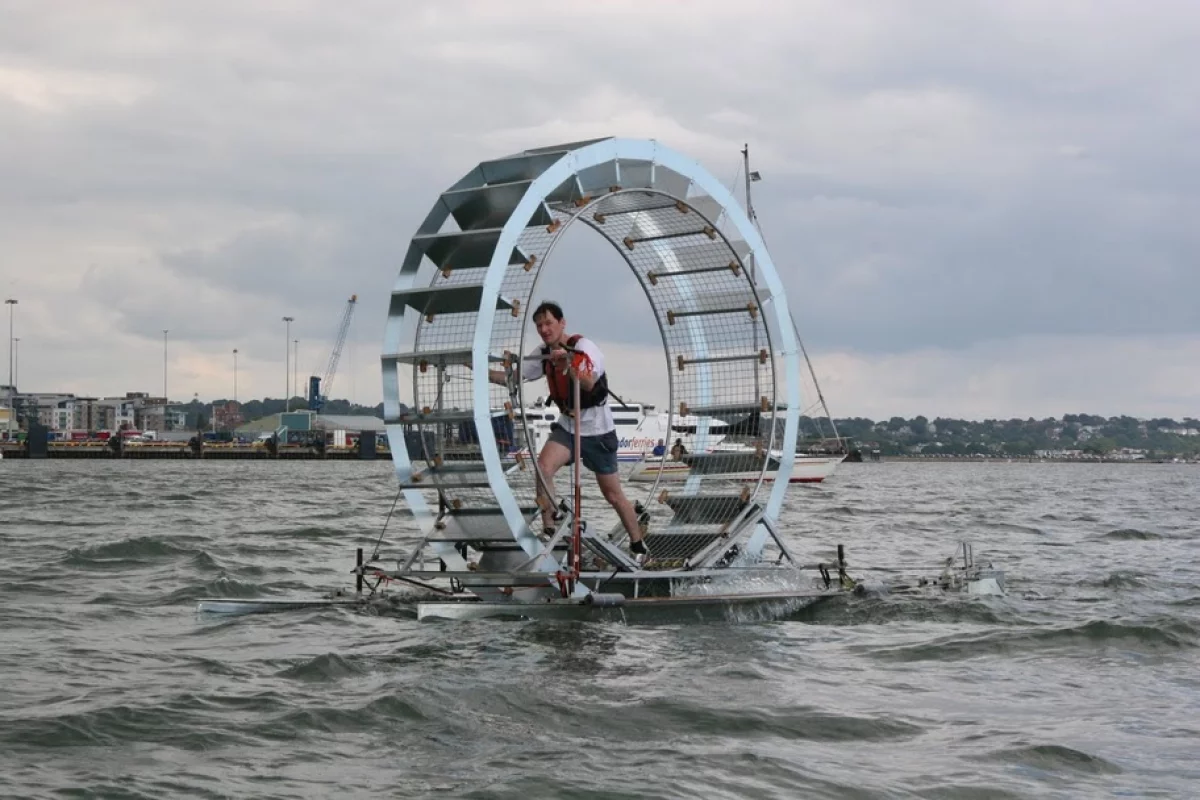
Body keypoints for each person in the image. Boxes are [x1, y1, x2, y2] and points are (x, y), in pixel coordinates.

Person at [486, 301, 649, 559]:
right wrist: (475, 368)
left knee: (613, 495)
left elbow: (588, 382)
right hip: (568, 428)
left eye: (548, 323)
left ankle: (638, 544)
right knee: (543, 467)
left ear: (562, 323)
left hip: (598, 432)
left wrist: (570, 362)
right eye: (539, 325)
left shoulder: (584, 347)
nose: (544, 329)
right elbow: (510, 378)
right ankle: (550, 529)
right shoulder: (543, 354)